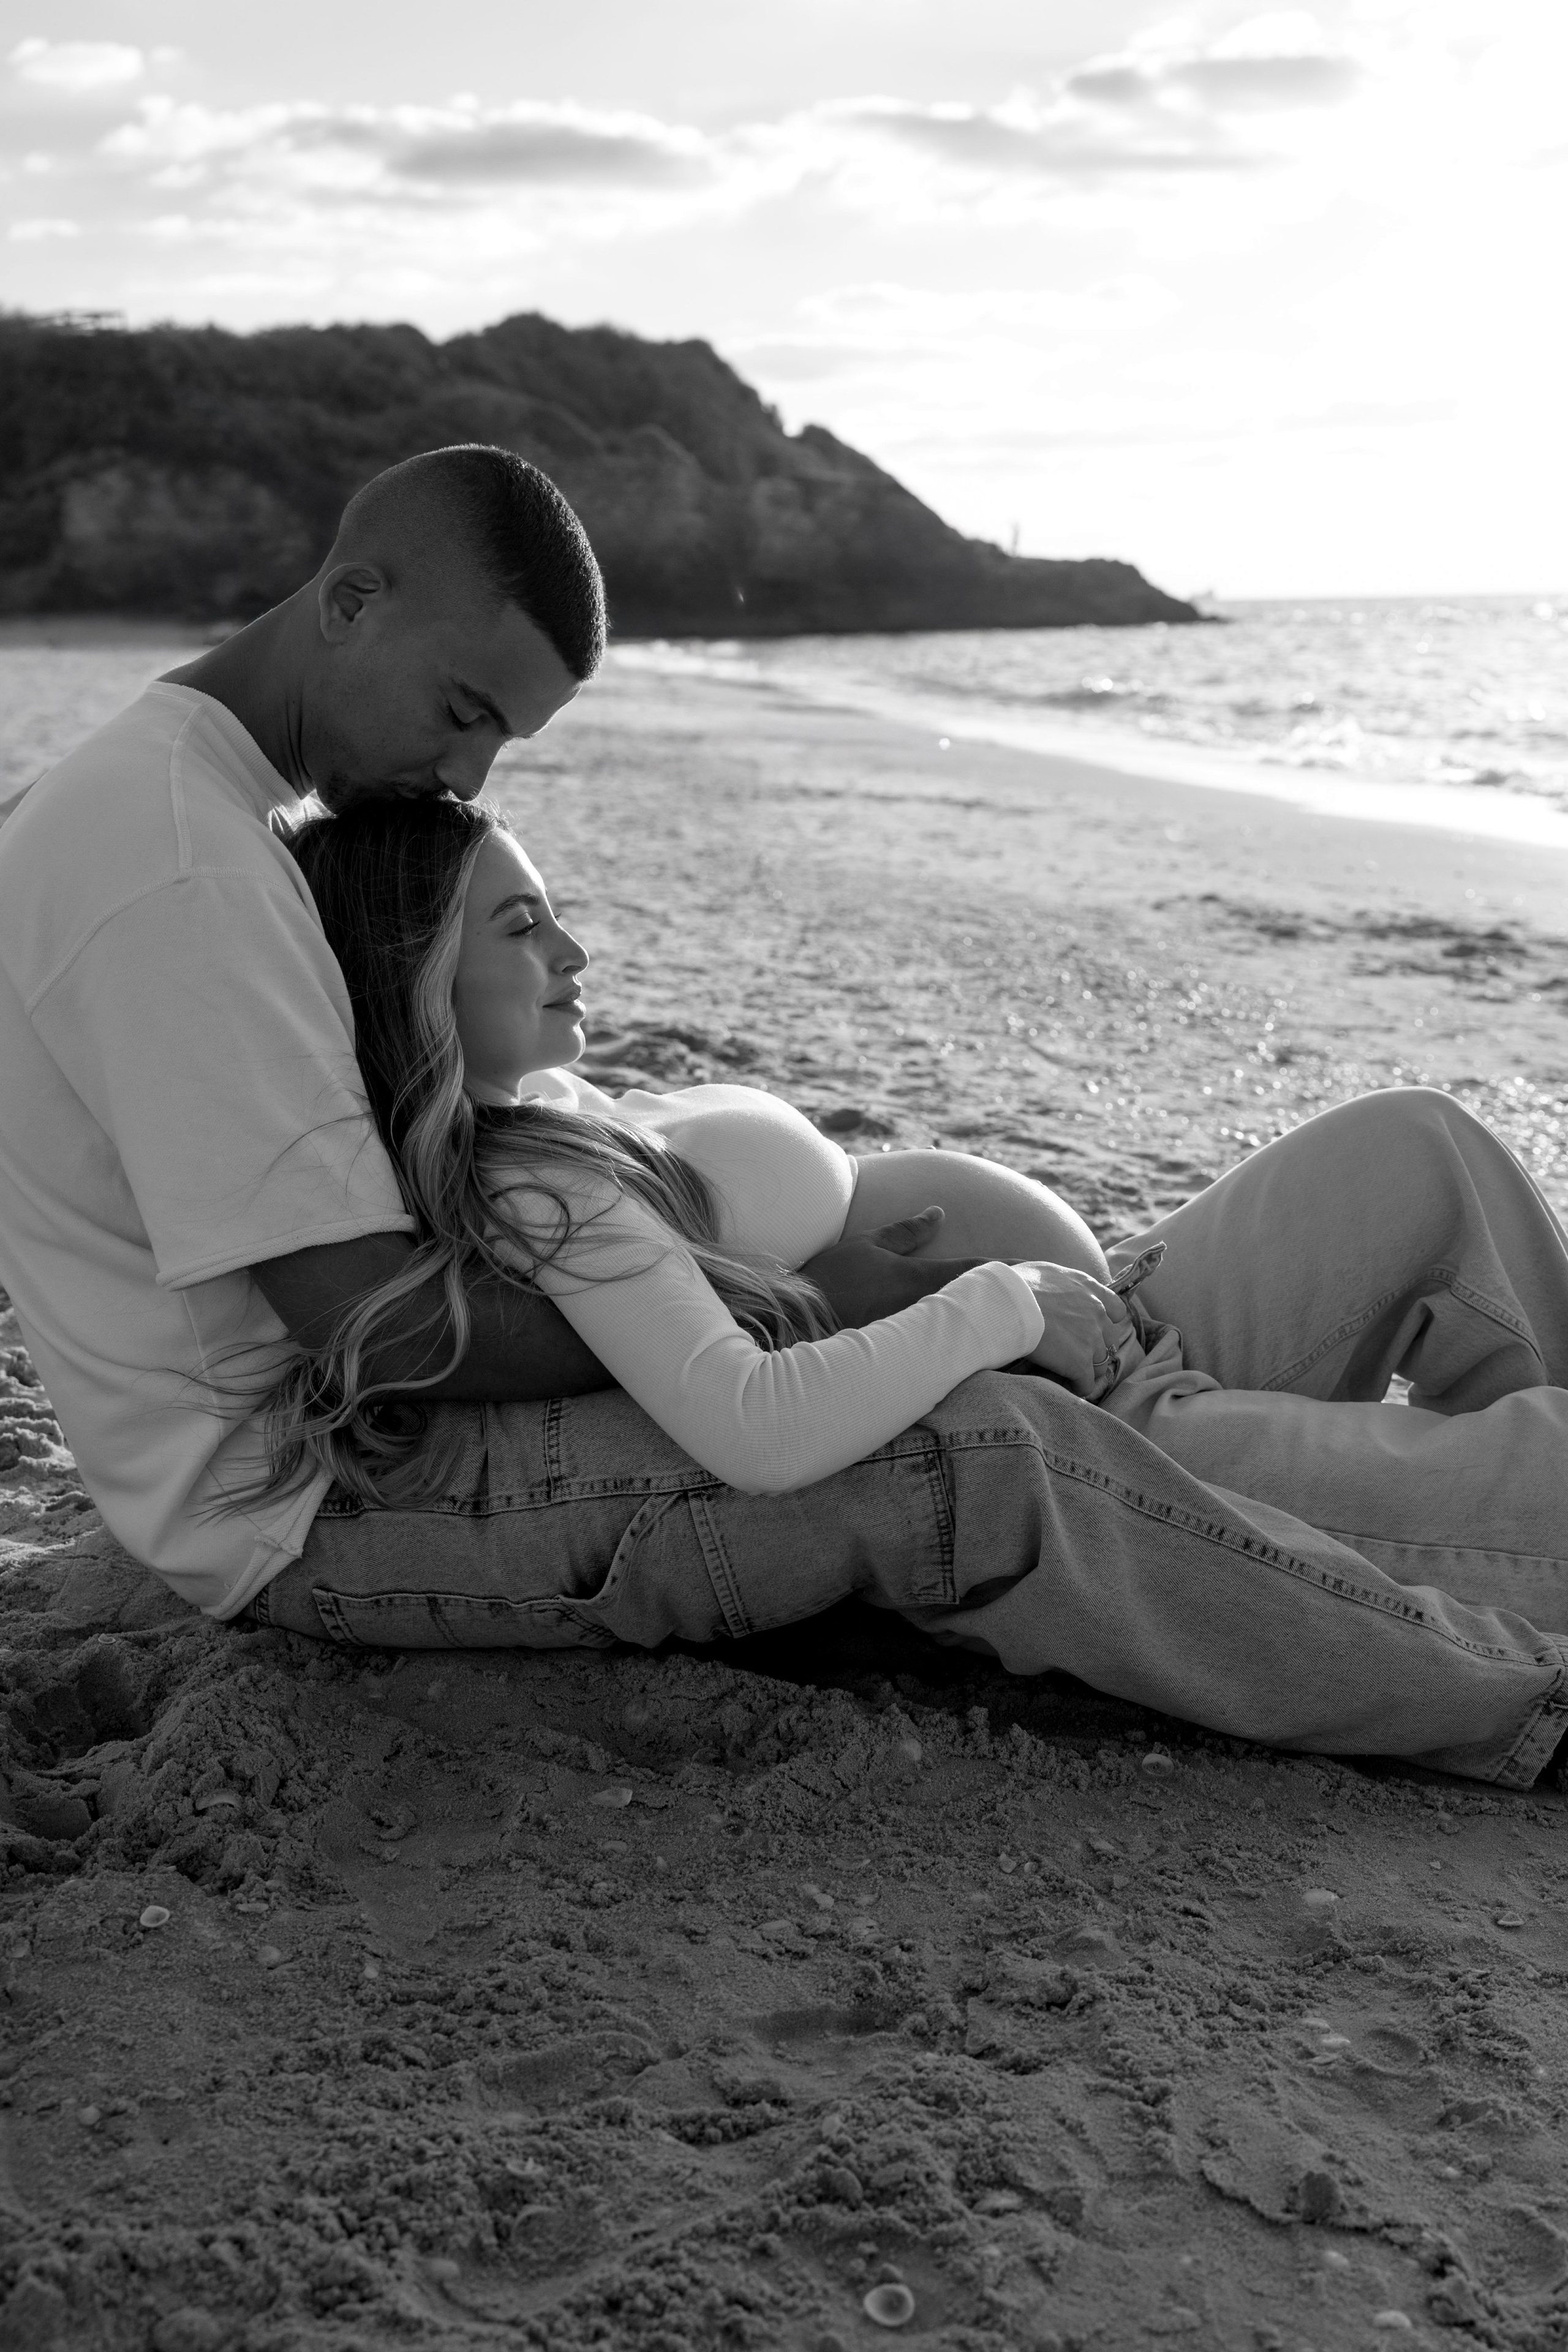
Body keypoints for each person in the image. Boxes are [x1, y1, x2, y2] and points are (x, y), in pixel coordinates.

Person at [1, 442, 1566, 1791]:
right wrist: (821, 1312)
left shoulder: (242, 825)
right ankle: (1524, 1695)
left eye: (504, 741)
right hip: (344, 1504)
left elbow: (451, 1159)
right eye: (463, 708)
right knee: (989, 1445)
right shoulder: (178, 869)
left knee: (1410, 1151)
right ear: (351, 601)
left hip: (638, 1362)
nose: (466, 768)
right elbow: (375, 1330)